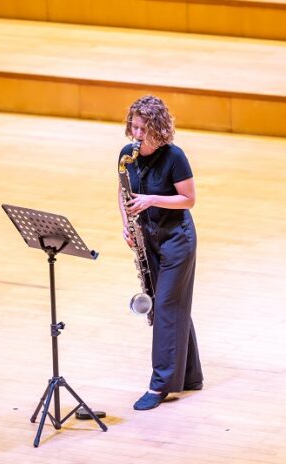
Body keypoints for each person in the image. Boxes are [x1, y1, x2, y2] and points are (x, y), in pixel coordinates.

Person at [117, 95, 203, 411]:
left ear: (158, 129)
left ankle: (159, 385)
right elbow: (122, 190)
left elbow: (188, 199)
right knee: (173, 304)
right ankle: (190, 376)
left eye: (143, 129)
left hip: (177, 239)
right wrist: (126, 224)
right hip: (149, 238)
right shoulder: (127, 155)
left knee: (165, 305)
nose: (136, 135)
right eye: (133, 127)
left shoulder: (175, 157)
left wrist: (151, 199)